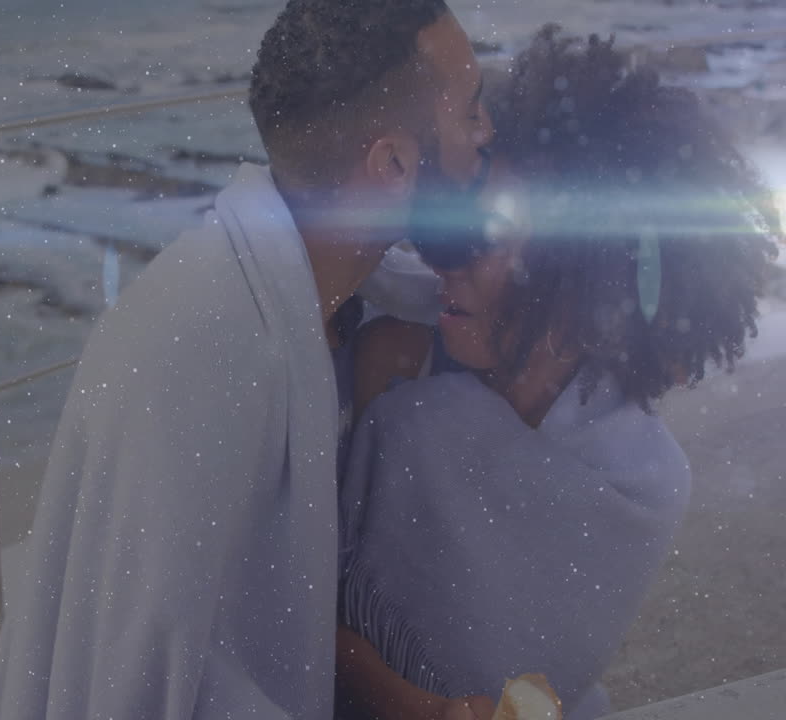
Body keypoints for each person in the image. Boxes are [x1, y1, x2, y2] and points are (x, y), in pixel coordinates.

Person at [0, 1, 493, 718]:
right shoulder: (205, 343)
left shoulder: (323, 303)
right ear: (393, 163)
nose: (486, 134)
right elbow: (150, 684)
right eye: (470, 111)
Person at [333, 26, 781, 720]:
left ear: (586, 273)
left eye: (490, 235)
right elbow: (288, 602)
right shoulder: (390, 368)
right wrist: (415, 704)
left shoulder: (643, 480)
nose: (446, 257)